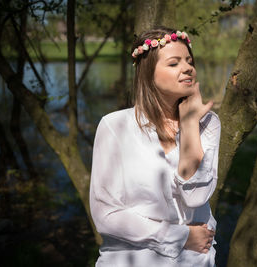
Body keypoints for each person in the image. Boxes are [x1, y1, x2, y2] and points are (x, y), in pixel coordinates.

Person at [89, 26, 221, 267]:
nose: (187, 68)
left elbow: (196, 197)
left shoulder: (208, 123)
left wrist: (190, 124)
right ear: (148, 73)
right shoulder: (114, 126)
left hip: (194, 261)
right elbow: (106, 215)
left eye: (189, 61)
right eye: (174, 63)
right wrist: (181, 236)